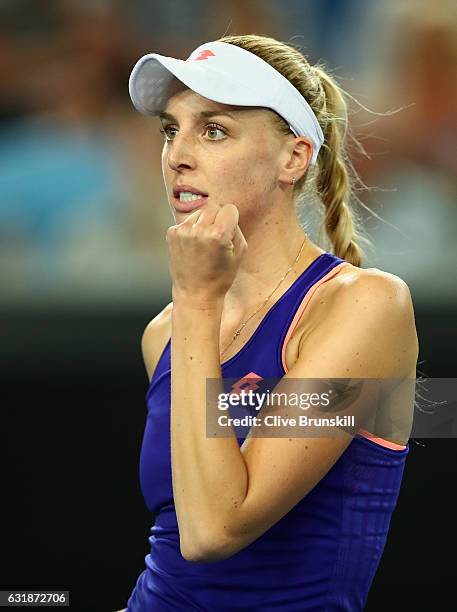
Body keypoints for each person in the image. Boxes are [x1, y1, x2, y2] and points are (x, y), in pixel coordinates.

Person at [119, 34, 418, 611]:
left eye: (214, 130)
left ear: (294, 158)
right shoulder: (164, 335)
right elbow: (173, 556)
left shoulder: (367, 307)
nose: (177, 153)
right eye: (169, 129)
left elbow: (213, 532)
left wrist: (198, 303)